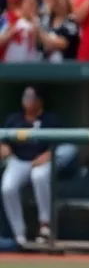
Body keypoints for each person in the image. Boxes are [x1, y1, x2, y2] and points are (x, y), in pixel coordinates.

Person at [0, 87, 60, 247]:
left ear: (39, 101)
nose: (27, 100)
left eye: (31, 97)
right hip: (19, 160)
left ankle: (44, 225)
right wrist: (4, 147)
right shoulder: (14, 119)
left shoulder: (50, 119)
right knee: (7, 188)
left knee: (38, 176)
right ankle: (19, 234)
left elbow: (57, 145)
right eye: (25, 96)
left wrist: (48, 155)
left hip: (41, 161)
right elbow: (4, 142)